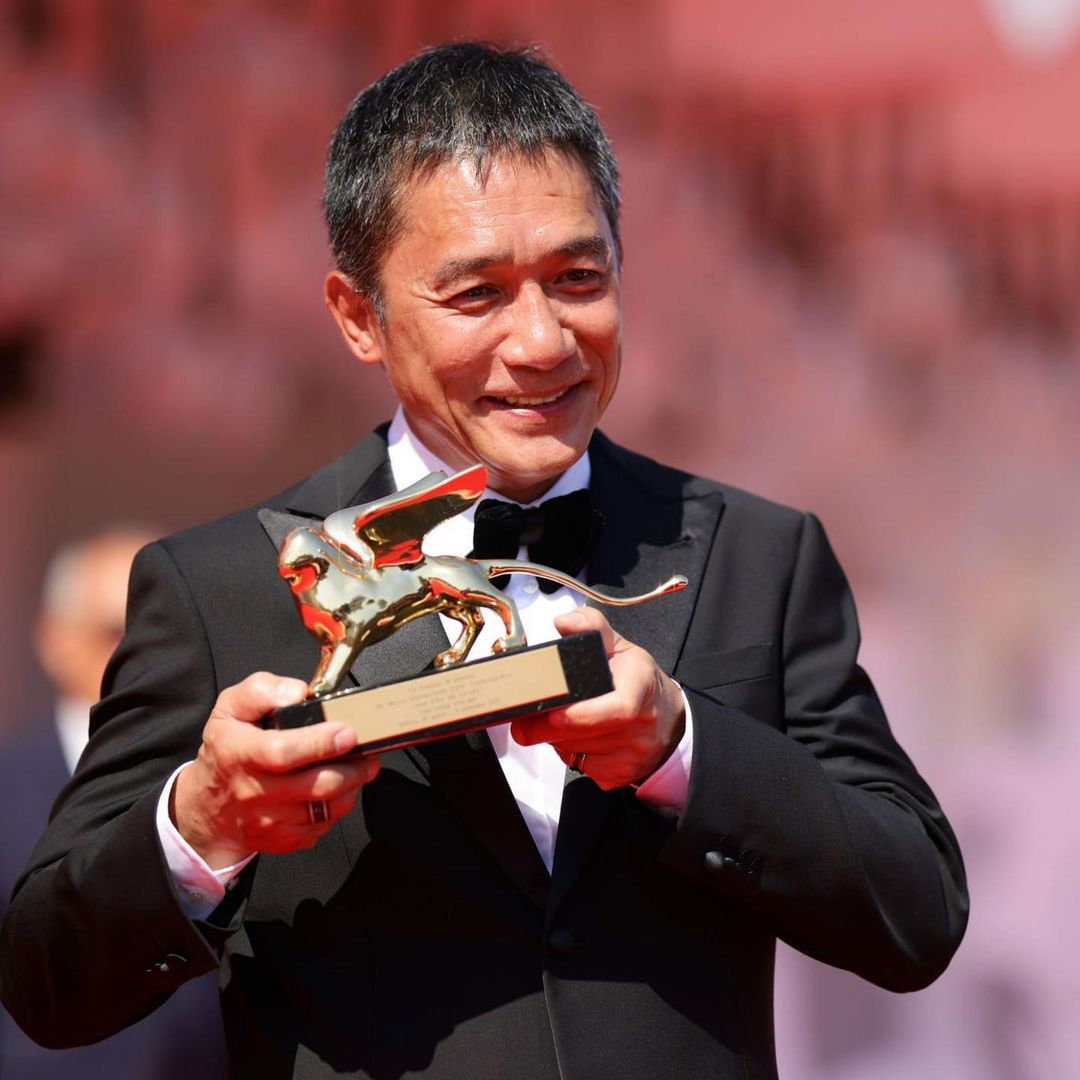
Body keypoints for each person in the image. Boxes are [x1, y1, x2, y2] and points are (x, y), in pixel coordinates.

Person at [0, 43, 967, 1079]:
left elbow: (915, 913)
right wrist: (205, 826)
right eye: (477, 296)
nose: (544, 340)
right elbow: (50, 986)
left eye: (577, 278)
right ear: (358, 318)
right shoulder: (222, 588)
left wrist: (685, 751)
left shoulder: (755, 555)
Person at [0, 529, 227, 1079]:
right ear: (55, 640)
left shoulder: (236, 774)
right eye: (113, 631)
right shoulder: (8, 784)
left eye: (159, 630)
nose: (137, 652)